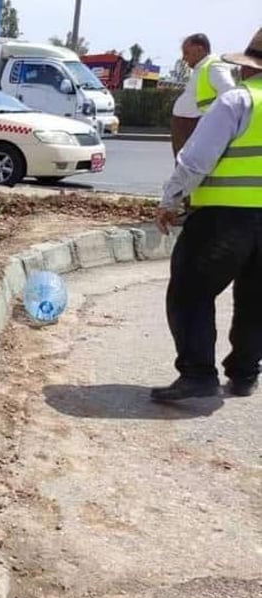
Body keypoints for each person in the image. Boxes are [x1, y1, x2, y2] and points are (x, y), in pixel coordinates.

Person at [151, 27, 262, 402]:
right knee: (256, 298)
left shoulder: (237, 101)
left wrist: (170, 200)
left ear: (249, 67)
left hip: (223, 219)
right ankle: (245, 374)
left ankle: (198, 375)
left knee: (190, 291)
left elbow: (196, 159)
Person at [171, 33, 238, 159]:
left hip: (195, 125)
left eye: (186, 53)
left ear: (199, 49)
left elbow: (229, 93)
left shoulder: (214, 65)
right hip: (188, 124)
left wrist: (211, 120)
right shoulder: (201, 67)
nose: (184, 58)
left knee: (190, 167)